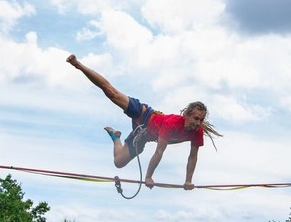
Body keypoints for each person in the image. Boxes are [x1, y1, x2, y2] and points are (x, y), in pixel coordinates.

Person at [66, 54, 221, 190]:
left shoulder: (197, 132)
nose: (198, 123)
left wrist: (188, 181)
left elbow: (192, 157)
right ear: (187, 114)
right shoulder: (173, 123)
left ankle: (115, 138)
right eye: (195, 118)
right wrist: (148, 176)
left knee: (118, 162)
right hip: (144, 115)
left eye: (201, 120)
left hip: (143, 135)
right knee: (111, 93)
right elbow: (159, 151)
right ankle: (78, 64)